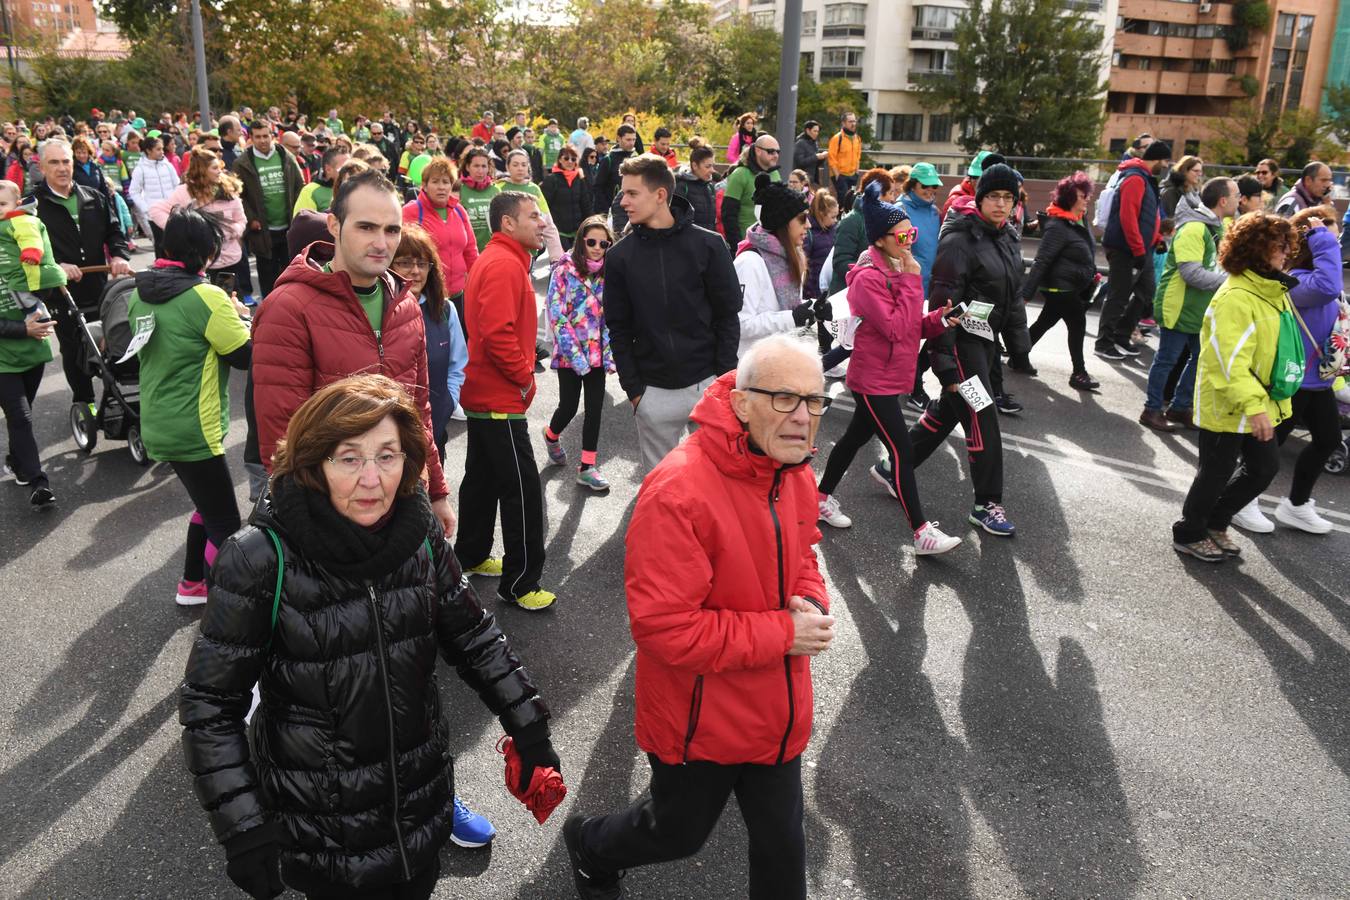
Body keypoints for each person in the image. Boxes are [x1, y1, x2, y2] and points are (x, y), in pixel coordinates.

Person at [181, 373, 558, 900]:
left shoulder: (417, 530)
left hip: (419, 802)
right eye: (348, 457)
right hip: (322, 827)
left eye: (387, 455)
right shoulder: (261, 557)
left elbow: (474, 636)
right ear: (314, 462)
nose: (372, 480)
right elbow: (211, 704)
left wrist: (529, 727)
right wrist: (242, 827)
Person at [563, 335, 834, 900]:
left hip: (776, 711)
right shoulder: (679, 491)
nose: (803, 417)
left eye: (814, 401)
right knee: (677, 833)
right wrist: (786, 632)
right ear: (739, 402)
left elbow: (804, 553)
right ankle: (590, 843)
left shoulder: (794, 471)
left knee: (784, 846)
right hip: (699, 719)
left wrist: (810, 600)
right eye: (784, 399)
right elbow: (665, 629)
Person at [251, 168, 457, 536]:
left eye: (391, 230)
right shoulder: (288, 308)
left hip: (401, 504)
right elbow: (282, 440)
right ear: (334, 225)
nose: (382, 242)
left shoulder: (406, 304)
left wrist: (437, 491)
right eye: (366, 227)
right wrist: (316, 527)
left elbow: (418, 414)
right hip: (330, 517)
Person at [815, 182, 963, 553]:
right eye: (903, 236)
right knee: (902, 450)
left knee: (853, 439)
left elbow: (909, 326)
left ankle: (819, 498)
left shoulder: (898, 268)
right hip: (873, 378)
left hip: (888, 375)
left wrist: (940, 321)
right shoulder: (867, 280)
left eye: (911, 233)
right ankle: (921, 532)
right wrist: (914, 280)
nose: (909, 241)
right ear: (880, 240)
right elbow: (896, 328)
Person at [127, 208, 252, 605]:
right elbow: (244, 355)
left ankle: (192, 584)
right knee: (227, 523)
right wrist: (240, 316)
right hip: (194, 426)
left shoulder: (139, 292)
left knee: (206, 505)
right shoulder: (206, 297)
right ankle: (229, 607)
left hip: (158, 419)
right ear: (206, 251)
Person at [905, 163, 1028, 536]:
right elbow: (942, 303)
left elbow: (1014, 293)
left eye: (1008, 198)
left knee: (949, 410)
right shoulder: (960, 238)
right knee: (982, 415)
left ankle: (893, 466)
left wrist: (1020, 345)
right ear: (980, 198)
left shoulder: (1007, 236)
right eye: (994, 196)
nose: (1002, 205)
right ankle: (986, 503)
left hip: (986, 343)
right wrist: (944, 366)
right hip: (961, 346)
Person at [1172, 212, 1301, 562]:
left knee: (1264, 469)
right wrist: (1254, 406)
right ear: (1256, 249)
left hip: (1257, 401)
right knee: (1215, 472)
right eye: (1279, 245)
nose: (1286, 252)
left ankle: (1216, 521)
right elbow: (1227, 362)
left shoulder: (1271, 289)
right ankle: (1189, 531)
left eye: (1288, 244)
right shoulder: (1236, 296)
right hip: (1229, 402)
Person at [604, 155, 742, 472]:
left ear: (660, 194)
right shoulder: (619, 257)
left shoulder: (709, 244)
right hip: (652, 393)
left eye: (632, 193)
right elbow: (618, 328)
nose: (623, 201)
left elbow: (728, 315)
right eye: (622, 193)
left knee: (713, 486)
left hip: (707, 387)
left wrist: (722, 380)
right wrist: (636, 392)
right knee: (661, 497)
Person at [455, 191, 555, 610]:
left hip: (487, 394)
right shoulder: (503, 263)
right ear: (508, 224)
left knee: (481, 480)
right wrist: (523, 379)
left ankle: (472, 555)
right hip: (498, 398)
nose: (541, 222)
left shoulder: (504, 259)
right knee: (523, 491)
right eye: (533, 216)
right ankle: (519, 584)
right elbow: (497, 333)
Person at [1232, 206, 1344, 535]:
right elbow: (1327, 286)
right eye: (1328, 232)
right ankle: (1241, 502)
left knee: (1328, 440)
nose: (1335, 237)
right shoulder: (1299, 280)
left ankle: (1295, 505)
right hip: (1291, 379)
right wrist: (1323, 237)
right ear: (1312, 239)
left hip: (1317, 380)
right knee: (1267, 447)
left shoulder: (1322, 273)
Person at [27, 139, 132, 407]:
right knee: (74, 350)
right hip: (60, 292)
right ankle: (84, 401)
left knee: (111, 342)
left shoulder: (93, 197)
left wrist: (119, 254)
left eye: (66, 162)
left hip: (98, 287)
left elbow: (114, 231)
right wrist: (56, 265)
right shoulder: (32, 206)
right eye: (54, 162)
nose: (62, 168)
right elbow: (28, 249)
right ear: (42, 166)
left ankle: (116, 394)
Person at [1141, 177, 1238, 432]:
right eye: (1236, 196)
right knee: (1167, 360)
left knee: (1201, 360)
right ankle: (1151, 410)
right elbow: (1192, 274)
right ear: (1223, 200)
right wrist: (1230, 281)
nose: (1239, 201)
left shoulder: (1217, 226)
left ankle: (1180, 407)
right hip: (1179, 306)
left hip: (1199, 309)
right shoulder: (1195, 228)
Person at [542, 214, 616, 491]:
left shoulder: (608, 275)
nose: (597, 247)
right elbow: (557, 316)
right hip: (569, 357)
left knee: (595, 409)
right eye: (592, 241)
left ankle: (587, 467)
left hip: (596, 356)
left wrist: (607, 355)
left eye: (603, 243)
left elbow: (609, 319)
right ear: (581, 241)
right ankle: (551, 436)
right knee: (569, 407)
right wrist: (577, 359)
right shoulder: (563, 270)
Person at [392, 224, 467, 463]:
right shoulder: (381, 310)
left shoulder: (444, 309)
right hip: (389, 437)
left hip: (434, 430)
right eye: (405, 262)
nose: (415, 271)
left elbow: (458, 365)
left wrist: (448, 402)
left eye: (422, 264)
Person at [1022, 172, 1100, 392]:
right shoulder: (1058, 225)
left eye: (1087, 194)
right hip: (1059, 287)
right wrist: (1026, 295)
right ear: (1069, 199)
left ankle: (1018, 355)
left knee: (1045, 322)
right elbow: (1042, 260)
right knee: (1077, 323)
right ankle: (1079, 373)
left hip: (1068, 285)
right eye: (1082, 195)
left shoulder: (1078, 220)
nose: (1087, 199)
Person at [1095, 140, 1171, 361]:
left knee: (1146, 292)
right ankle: (1104, 342)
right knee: (1118, 295)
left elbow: (1149, 216)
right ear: (1156, 158)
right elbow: (1128, 217)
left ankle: (1120, 335)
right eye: (1165, 161)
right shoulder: (1135, 178)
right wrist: (1138, 249)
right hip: (1125, 249)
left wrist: (1156, 238)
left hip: (1140, 248)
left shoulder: (1145, 179)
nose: (1165, 166)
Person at [734, 174, 814, 359]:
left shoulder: (790, 255)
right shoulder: (749, 262)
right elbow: (740, 323)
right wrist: (792, 318)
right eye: (802, 219)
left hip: (780, 359)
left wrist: (814, 308)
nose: (808, 225)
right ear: (782, 223)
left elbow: (783, 307)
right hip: (754, 367)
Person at [0, 251, 57, 509]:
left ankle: (15, 461)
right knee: (21, 416)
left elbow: (46, 291)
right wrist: (23, 329)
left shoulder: (20, 244)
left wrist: (50, 276)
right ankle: (39, 483)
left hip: (33, 350)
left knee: (21, 416)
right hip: (3, 358)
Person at [402, 155, 477, 341]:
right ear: (425, 185)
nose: (442, 187)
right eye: (435, 181)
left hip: (459, 295)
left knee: (459, 348)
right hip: (426, 295)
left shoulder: (459, 210)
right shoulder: (411, 212)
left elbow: (471, 251)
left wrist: (478, 284)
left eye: (446, 182)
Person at [234, 119, 305, 298]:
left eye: (266, 136)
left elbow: (300, 185)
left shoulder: (285, 156)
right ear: (251, 138)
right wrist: (251, 219)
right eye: (258, 137)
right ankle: (269, 307)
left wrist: (298, 214)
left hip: (288, 227)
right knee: (267, 274)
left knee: (290, 271)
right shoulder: (242, 162)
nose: (263, 140)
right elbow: (238, 195)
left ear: (272, 136)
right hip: (262, 230)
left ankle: (290, 306)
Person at [722, 135, 782, 246]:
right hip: (746, 243)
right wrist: (737, 245)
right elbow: (728, 214)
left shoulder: (775, 174)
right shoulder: (740, 174)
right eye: (771, 151)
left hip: (771, 243)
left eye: (778, 152)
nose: (776, 155)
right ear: (758, 151)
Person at [126, 135, 179, 255]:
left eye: (162, 149)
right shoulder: (140, 169)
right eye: (158, 149)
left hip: (172, 211)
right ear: (149, 151)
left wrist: (177, 204)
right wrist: (146, 208)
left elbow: (177, 184)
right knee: (160, 243)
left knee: (175, 242)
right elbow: (134, 191)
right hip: (154, 214)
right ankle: (161, 269)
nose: (162, 152)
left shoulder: (168, 165)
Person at [541, 145, 591, 250]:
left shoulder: (579, 179)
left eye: (573, 159)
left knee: (577, 263)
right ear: (560, 159)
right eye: (566, 158)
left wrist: (590, 223)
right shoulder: (551, 179)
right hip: (558, 231)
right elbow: (544, 206)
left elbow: (585, 203)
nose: (570, 162)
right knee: (562, 263)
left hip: (577, 231)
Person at [591, 124, 638, 231]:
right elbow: (597, 187)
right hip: (612, 213)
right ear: (618, 138)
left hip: (632, 211)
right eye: (628, 139)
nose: (631, 143)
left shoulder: (636, 158)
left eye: (634, 140)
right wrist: (606, 210)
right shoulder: (608, 160)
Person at [457, 146, 501, 251]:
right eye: (476, 166)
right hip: (467, 251)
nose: (480, 171)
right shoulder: (458, 189)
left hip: (492, 251)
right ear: (467, 167)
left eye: (484, 166)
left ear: (488, 168)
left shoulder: (496, 190)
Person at [803, 191, 838, 309]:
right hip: (813, 289)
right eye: (833, 216)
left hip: (829, 287)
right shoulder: (808, 233)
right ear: (821, 214)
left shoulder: (834, 229)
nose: (835, 220)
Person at [291, 146, 349, 216]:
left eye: (352, 167)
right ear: (328, 169)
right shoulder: (310, 190)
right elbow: (301, 224)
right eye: (344, 169)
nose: (350, 172)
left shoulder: (355, 187)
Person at [672, 144, 717, 232]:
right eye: (708, 166)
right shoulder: (682, 187)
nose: (712, 170)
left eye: (712, 166)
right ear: (695, 166)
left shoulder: (709, 186)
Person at [826, 112, 861, 200]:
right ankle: (840, 214)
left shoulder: (857, 138)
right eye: (850, 122)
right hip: (840, 175)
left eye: (854, 121)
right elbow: (831, 158)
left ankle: (845, 214)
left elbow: (858, 156)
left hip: (853, 176)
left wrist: (857, 172)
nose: (853, 124)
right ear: (843, 123)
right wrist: (837, 175)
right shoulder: (837, 138)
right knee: (843, 199)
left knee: (851, 198)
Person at [793, 120, 828, 186]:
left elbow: (815, 163)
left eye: (818, 131)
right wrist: (816, 157)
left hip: (812, 179)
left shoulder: (814, 143)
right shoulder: (800, 143)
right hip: (802, 180)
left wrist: (822, 157)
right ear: (808, 130)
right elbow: (800, 162)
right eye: (815, 131)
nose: (817, 133)